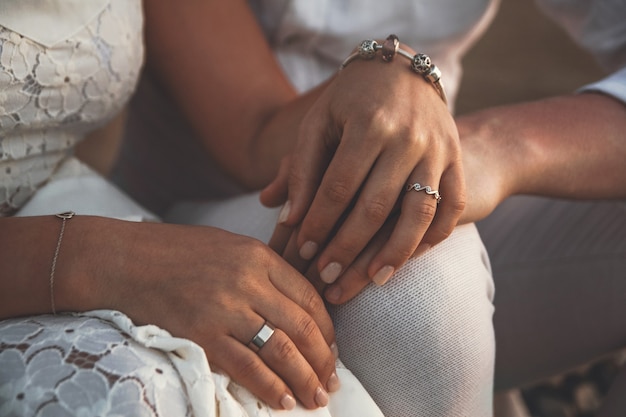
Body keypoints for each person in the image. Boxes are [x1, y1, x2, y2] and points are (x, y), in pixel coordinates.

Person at [111, 0, 626, 416]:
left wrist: (501, 146)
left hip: (431, 158)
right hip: (203, 205)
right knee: (408, 273)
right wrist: (383, 82)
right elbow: (252, 132)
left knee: (406, 223)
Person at [0, 2, 387, 416]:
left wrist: (389, 80)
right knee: (135, 396)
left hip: (63, 199)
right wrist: (113, 260)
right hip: (43, 252)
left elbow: (252, 123)